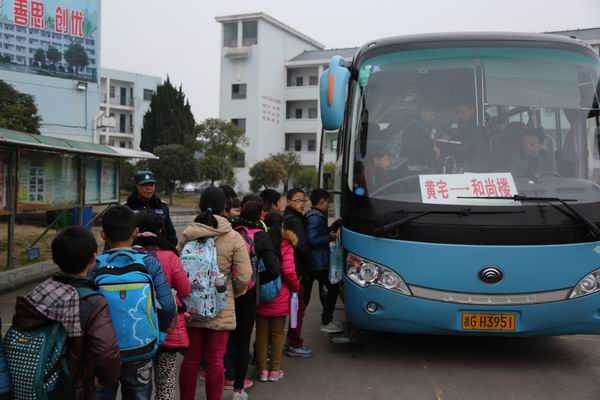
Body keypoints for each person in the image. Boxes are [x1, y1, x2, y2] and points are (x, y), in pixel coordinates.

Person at [11, 226, 121, 399]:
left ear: (54, 258)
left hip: (35, 382)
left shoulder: (39, 292)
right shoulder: (93, 301)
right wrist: (108, 379)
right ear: (93, 257)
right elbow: (105, 350)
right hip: (71, 386)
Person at [92, 206, 176, 400]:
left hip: (103, 351)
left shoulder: (95, 265)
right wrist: (159, 335)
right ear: (135, 232)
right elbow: (168, 306)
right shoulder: (149, 262)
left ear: (103, 235)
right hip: (142, 348)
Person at [178, 187, 252, 400]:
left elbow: (178, 269)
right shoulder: (234, 237)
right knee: (215, 361)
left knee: (191, 360)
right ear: (225, 207)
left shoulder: (188, 234)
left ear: (200, 205)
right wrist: (233, 292)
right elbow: (244, 276)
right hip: (220, 305)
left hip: (192, 305)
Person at [224, 199, 281, 399]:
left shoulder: (230, 232)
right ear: (260, 216)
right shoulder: (261, 237)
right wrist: (255, 280)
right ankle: (238, 389)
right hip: (247, 294)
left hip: (225, 291)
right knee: (243, 340)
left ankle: (225, 374)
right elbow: (275, 269)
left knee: (226, 336)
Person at [133, 210, 191, 400]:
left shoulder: (129, 253)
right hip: (166, 325)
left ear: (136, 230)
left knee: (139, 382)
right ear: (160, 229)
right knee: (165, 378)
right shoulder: (169, 255)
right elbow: (184, 289)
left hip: (137, 325)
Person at [255, 212, 301, 383]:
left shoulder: (259, 241)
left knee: (261, 333)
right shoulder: (285, 244)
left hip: (261, 294)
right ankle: (275, 370)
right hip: (280, 295)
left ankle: (262, 371)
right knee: (277, 334)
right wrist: (296, 288)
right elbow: (288, 271)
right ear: (282, 226)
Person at [305, 189, 343, 334]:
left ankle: (325, 320)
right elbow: (312, 240)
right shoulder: (316, 217)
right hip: (317, 262)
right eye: (328, 202)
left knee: (306, 298)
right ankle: (326, 321)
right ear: (322, 201)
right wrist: (329, 238)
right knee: (333, 288)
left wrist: (333, 227)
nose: (328, 205)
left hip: (313, 262)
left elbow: (316, 234)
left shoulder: (312, 214)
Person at [283, 188, 314, 357]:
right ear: (288, 201)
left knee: (295, 307)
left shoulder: (291, 217)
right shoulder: (294, 220)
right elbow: (301, 246)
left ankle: (291, 341)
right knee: (298, 307)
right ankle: (294, 343)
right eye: (297, 200)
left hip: (294, 268)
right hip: (298, 270)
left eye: (303, 200)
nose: (301, 203)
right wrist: (311, 259)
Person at [125, 170, 177, 246]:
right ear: (136, 186)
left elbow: (171, 235)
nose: (148, 188)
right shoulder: (127, 207)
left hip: (159, 250)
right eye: (144, 185)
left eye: (151, 184)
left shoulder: (162, 206)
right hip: (134, 252)